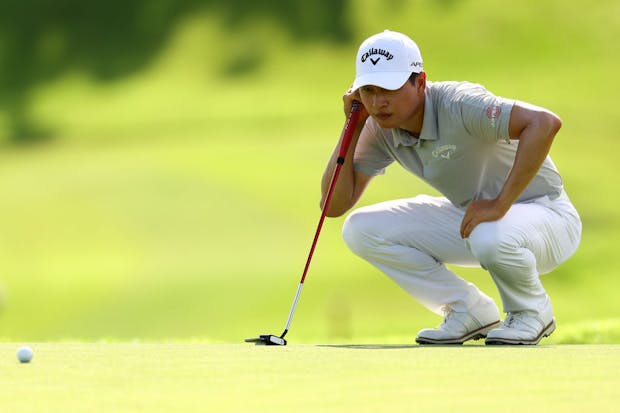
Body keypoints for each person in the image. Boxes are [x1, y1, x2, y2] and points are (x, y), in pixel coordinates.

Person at [321, 30, 582, 345]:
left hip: (548, 217)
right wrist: (353, 126)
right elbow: (333, 206)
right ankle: (467, 310)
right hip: (477, 221)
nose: (378, 102)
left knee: (487, 230)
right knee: (360, 229)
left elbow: (544, 123)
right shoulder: (379, 128)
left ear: (420, 82)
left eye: (389, 88)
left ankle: (530, 313)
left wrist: (501, 203)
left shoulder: (460, 103)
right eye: (369, 90)